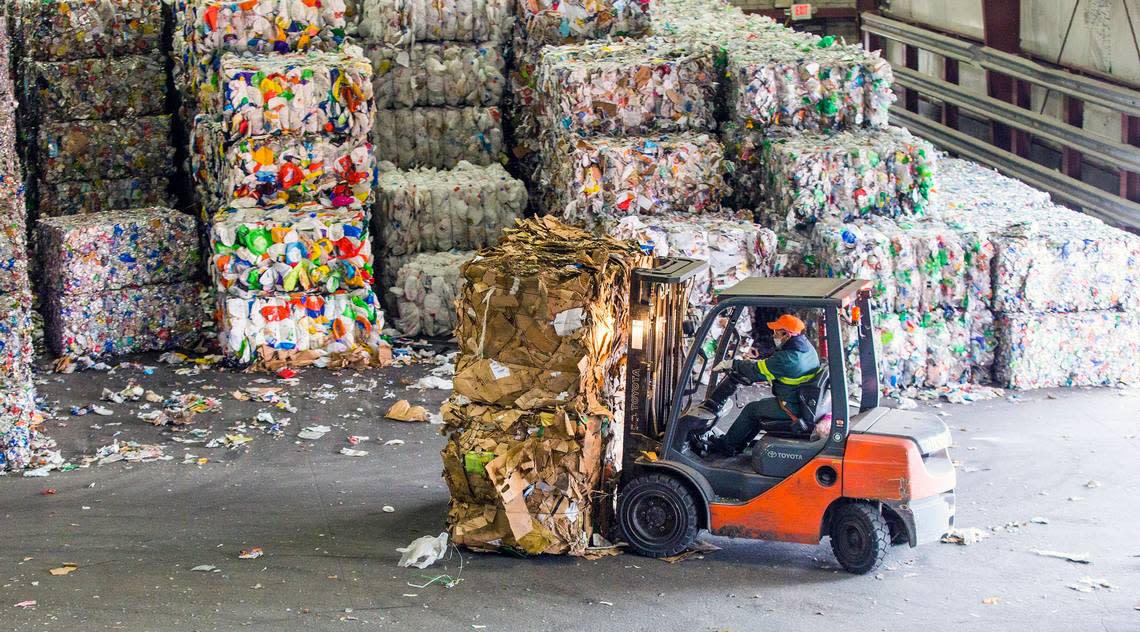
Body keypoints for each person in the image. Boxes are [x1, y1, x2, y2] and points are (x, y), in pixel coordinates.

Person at [706, 314, 820, 456]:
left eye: (777, 332)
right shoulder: (806, 348)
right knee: (758, 408)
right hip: (798, 400)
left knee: (751, 410)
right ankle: (737, 445)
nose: (774, 335)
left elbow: (756, 371)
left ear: (787, 334)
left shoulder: (788, 359)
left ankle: (725, 447)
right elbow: (775, 360)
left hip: (791, 406)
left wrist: (733, 364)